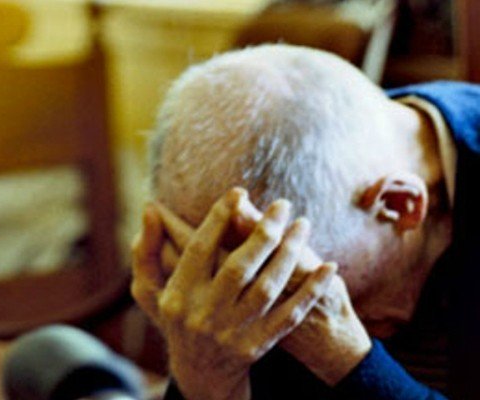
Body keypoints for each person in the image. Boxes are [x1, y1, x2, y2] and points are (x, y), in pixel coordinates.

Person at [130, 44, 480, 399]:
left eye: (286, 285)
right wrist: (203, 379)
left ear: (399, 205)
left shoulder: (306, 218)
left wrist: (348, 360)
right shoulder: (262, 243)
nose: (245, 304)